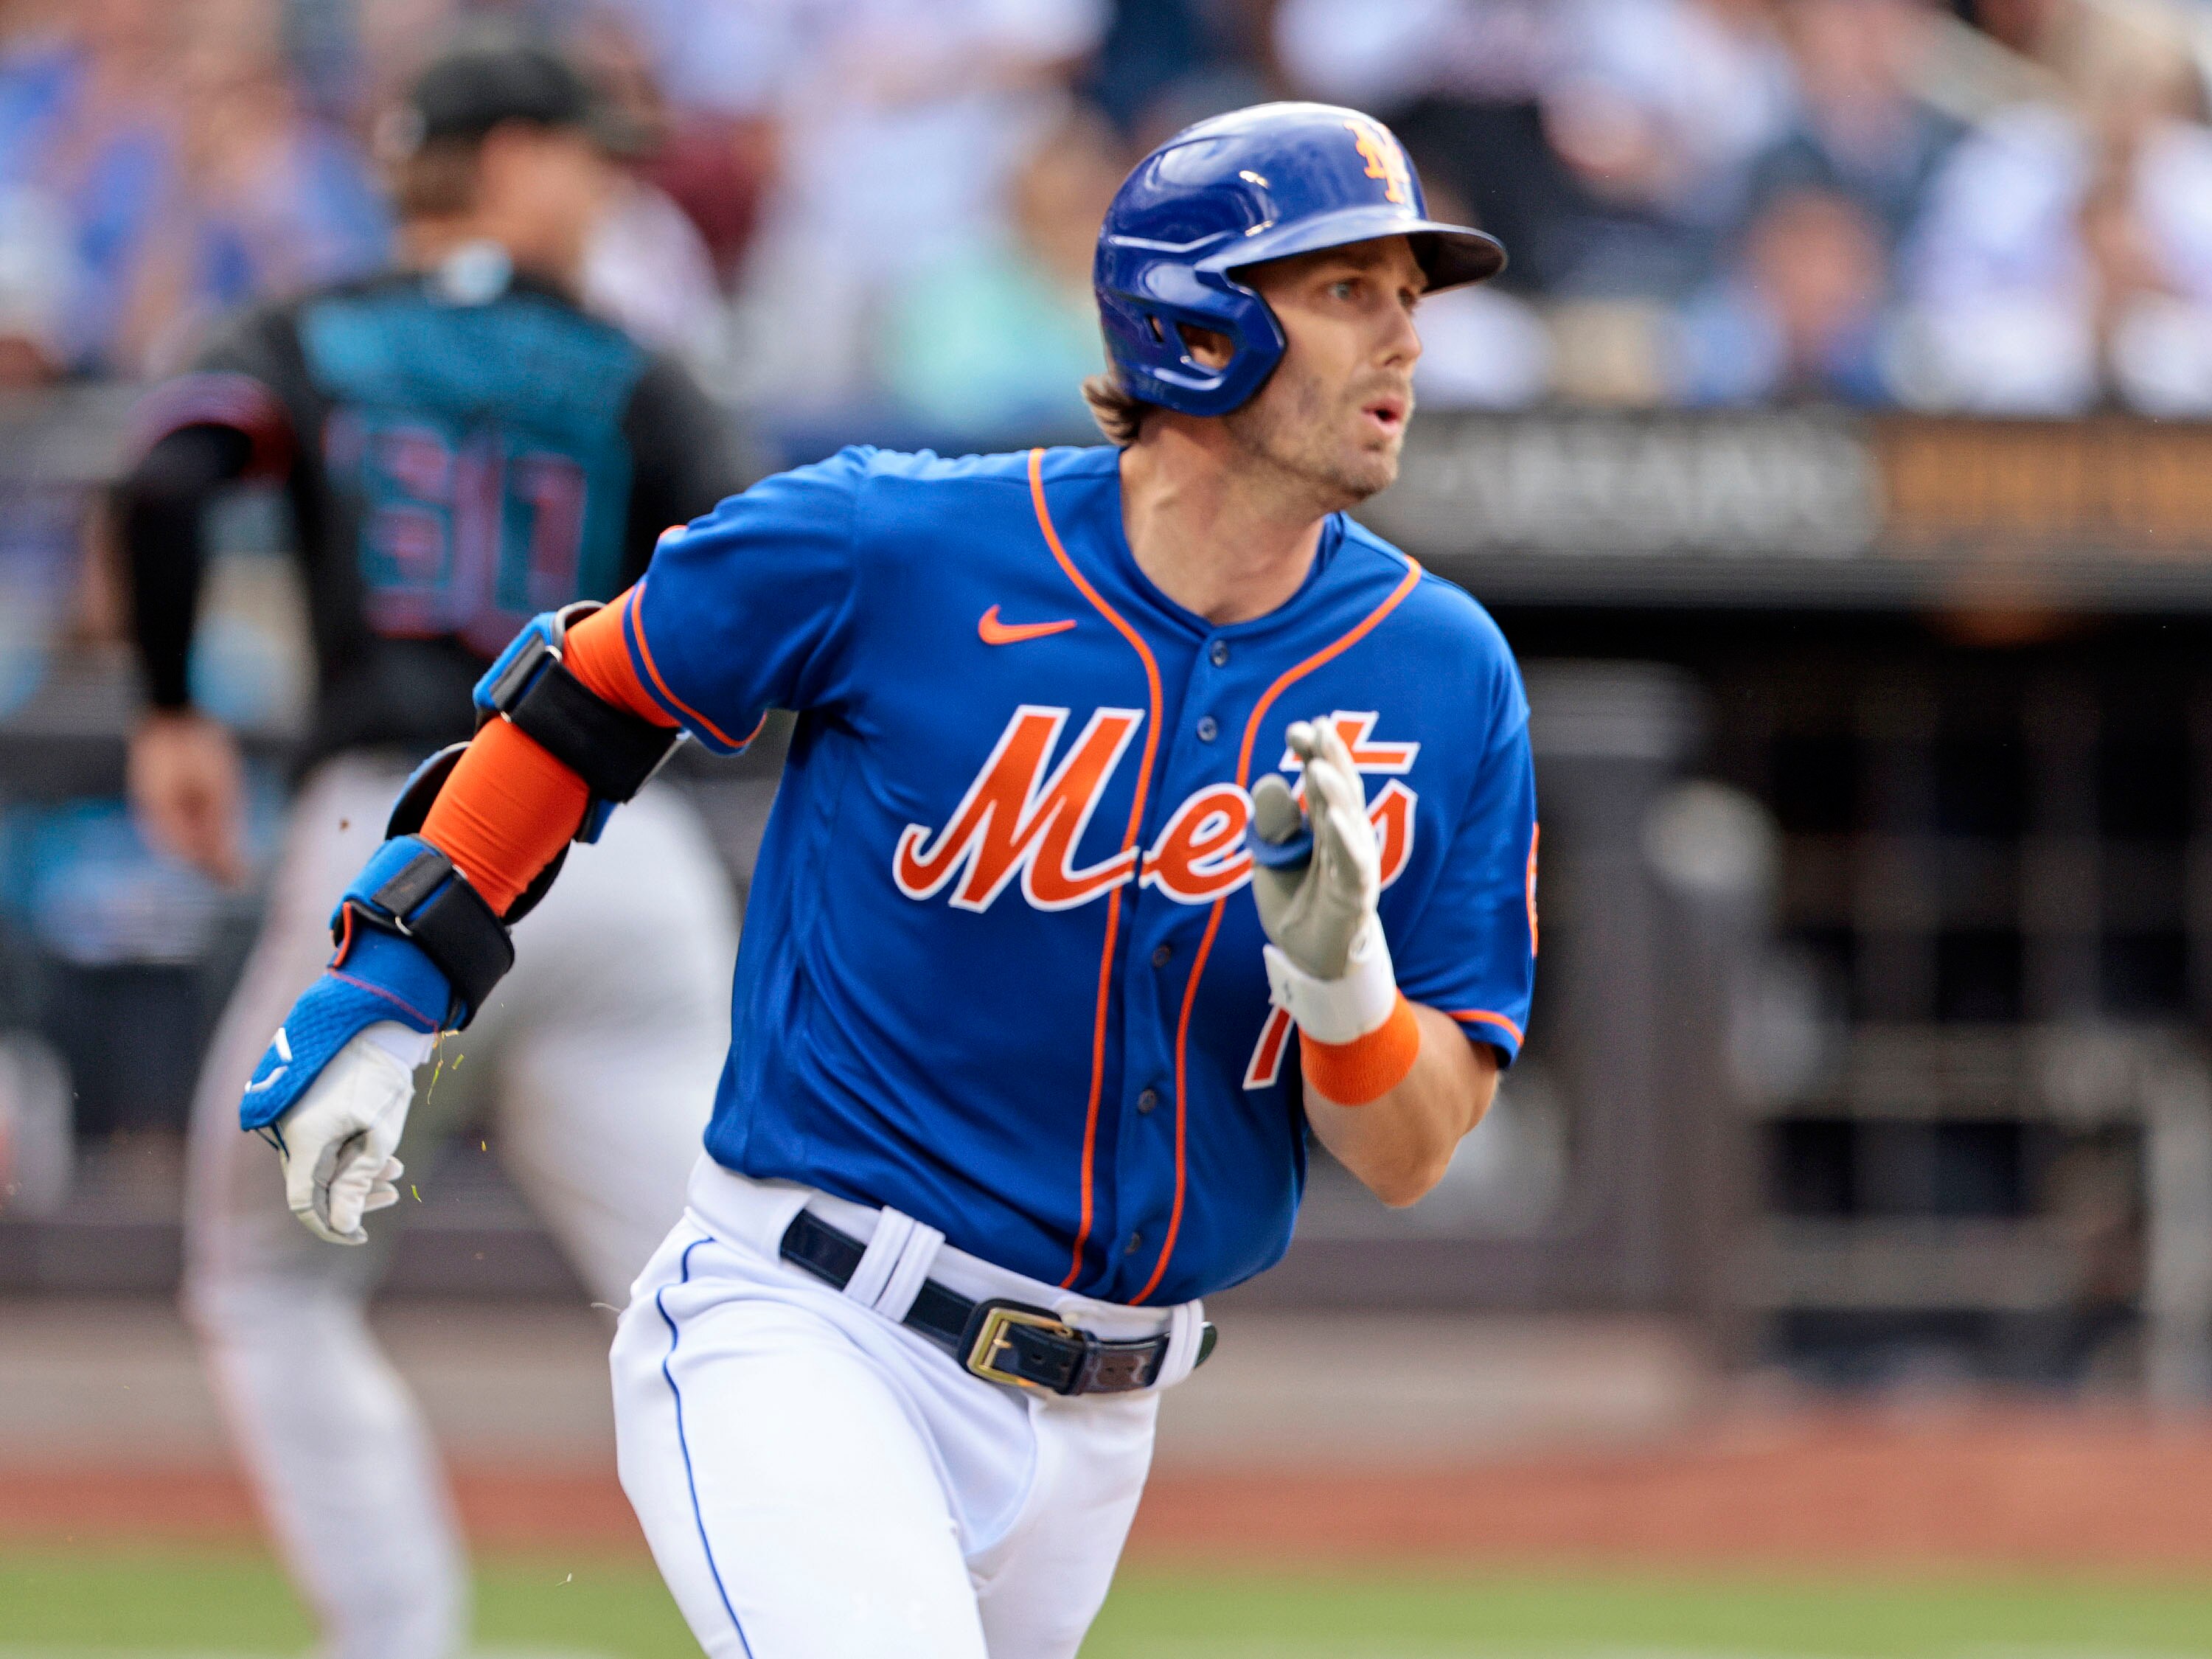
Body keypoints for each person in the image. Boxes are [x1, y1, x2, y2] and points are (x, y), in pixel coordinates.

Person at [234, 102, 1537, 1658]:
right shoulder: (898, 540)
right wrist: (397, 976)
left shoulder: (1445, 676)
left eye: (1411, 298)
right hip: (812, 1327)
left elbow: (1406, 1148)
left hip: (1107, 1419)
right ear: (1198, 323)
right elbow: (587, 695)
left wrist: (1345, 994)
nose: (1404, 341)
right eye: (1347, 292)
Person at [119, 38, 746, 1659]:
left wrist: (174, 710)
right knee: (727, 1311)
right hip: (627, 845)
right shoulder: (630, 361)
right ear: (503, 154)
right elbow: (741, 586)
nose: (608, 184)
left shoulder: (310, 331)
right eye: (584, 152)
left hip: (392, 845)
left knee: (266, 1285)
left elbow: (167, 472)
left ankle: (394, 1643)